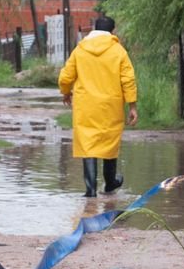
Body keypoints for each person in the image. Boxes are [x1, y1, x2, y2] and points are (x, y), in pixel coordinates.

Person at [58, 15, 138, 198]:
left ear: (94, 29)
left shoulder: (80, 50)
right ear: (112, 31)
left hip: (86, 106)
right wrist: (132, 106)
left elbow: (66, 77)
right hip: (111, 105)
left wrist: (65, 92)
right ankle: (110, 183)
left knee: (88, 145)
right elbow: (128, 79)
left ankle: (90, 190)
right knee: (109, 143)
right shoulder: (119, 52)